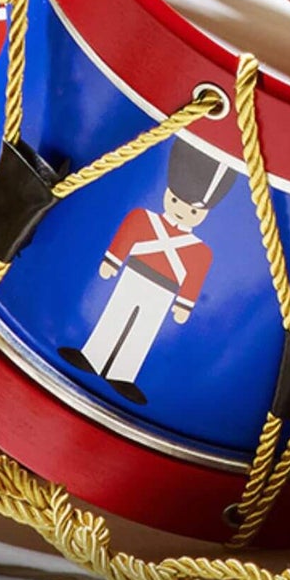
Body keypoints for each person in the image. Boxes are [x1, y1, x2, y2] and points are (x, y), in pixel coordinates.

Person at [59, 140, 236, 405]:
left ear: (202, 214)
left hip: (163, 291)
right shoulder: (144, 218)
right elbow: (126, 238)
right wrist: (112, 262)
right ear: (166, 193)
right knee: (115, 314)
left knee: (144, 330)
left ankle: (123, 374)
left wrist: (184, 304)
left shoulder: (200, 252)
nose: (180, 209)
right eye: (175, 200)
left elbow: (194, 275)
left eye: (192, 210)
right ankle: (93, 356)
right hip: (133, 275)